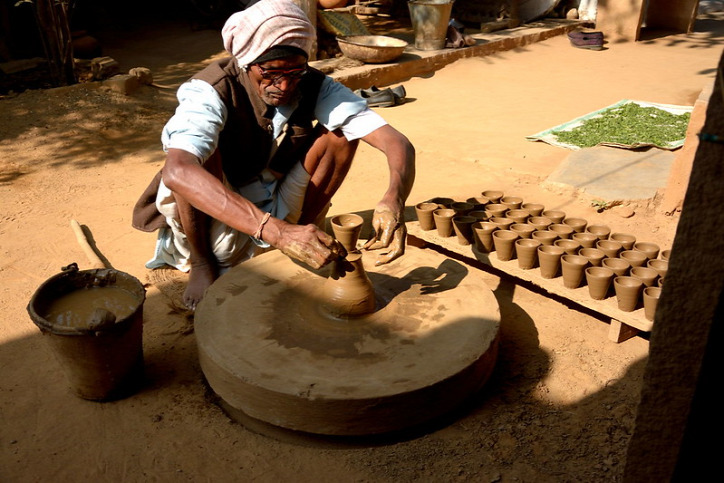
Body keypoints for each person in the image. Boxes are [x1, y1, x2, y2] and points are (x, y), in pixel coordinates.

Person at [132, 0, 415, 310]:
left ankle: (301, 238)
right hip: (218, 204)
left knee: (342, 136)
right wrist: (277, 232)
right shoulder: (210, 89)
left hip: (273, 191)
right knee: (192, 160)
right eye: (271, 73)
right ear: (247, 61)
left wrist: (395, 196)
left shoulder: (313, 84)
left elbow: (396, 142)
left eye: (295, 72)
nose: (283, 85)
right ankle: (201, 261)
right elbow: (178, 172)